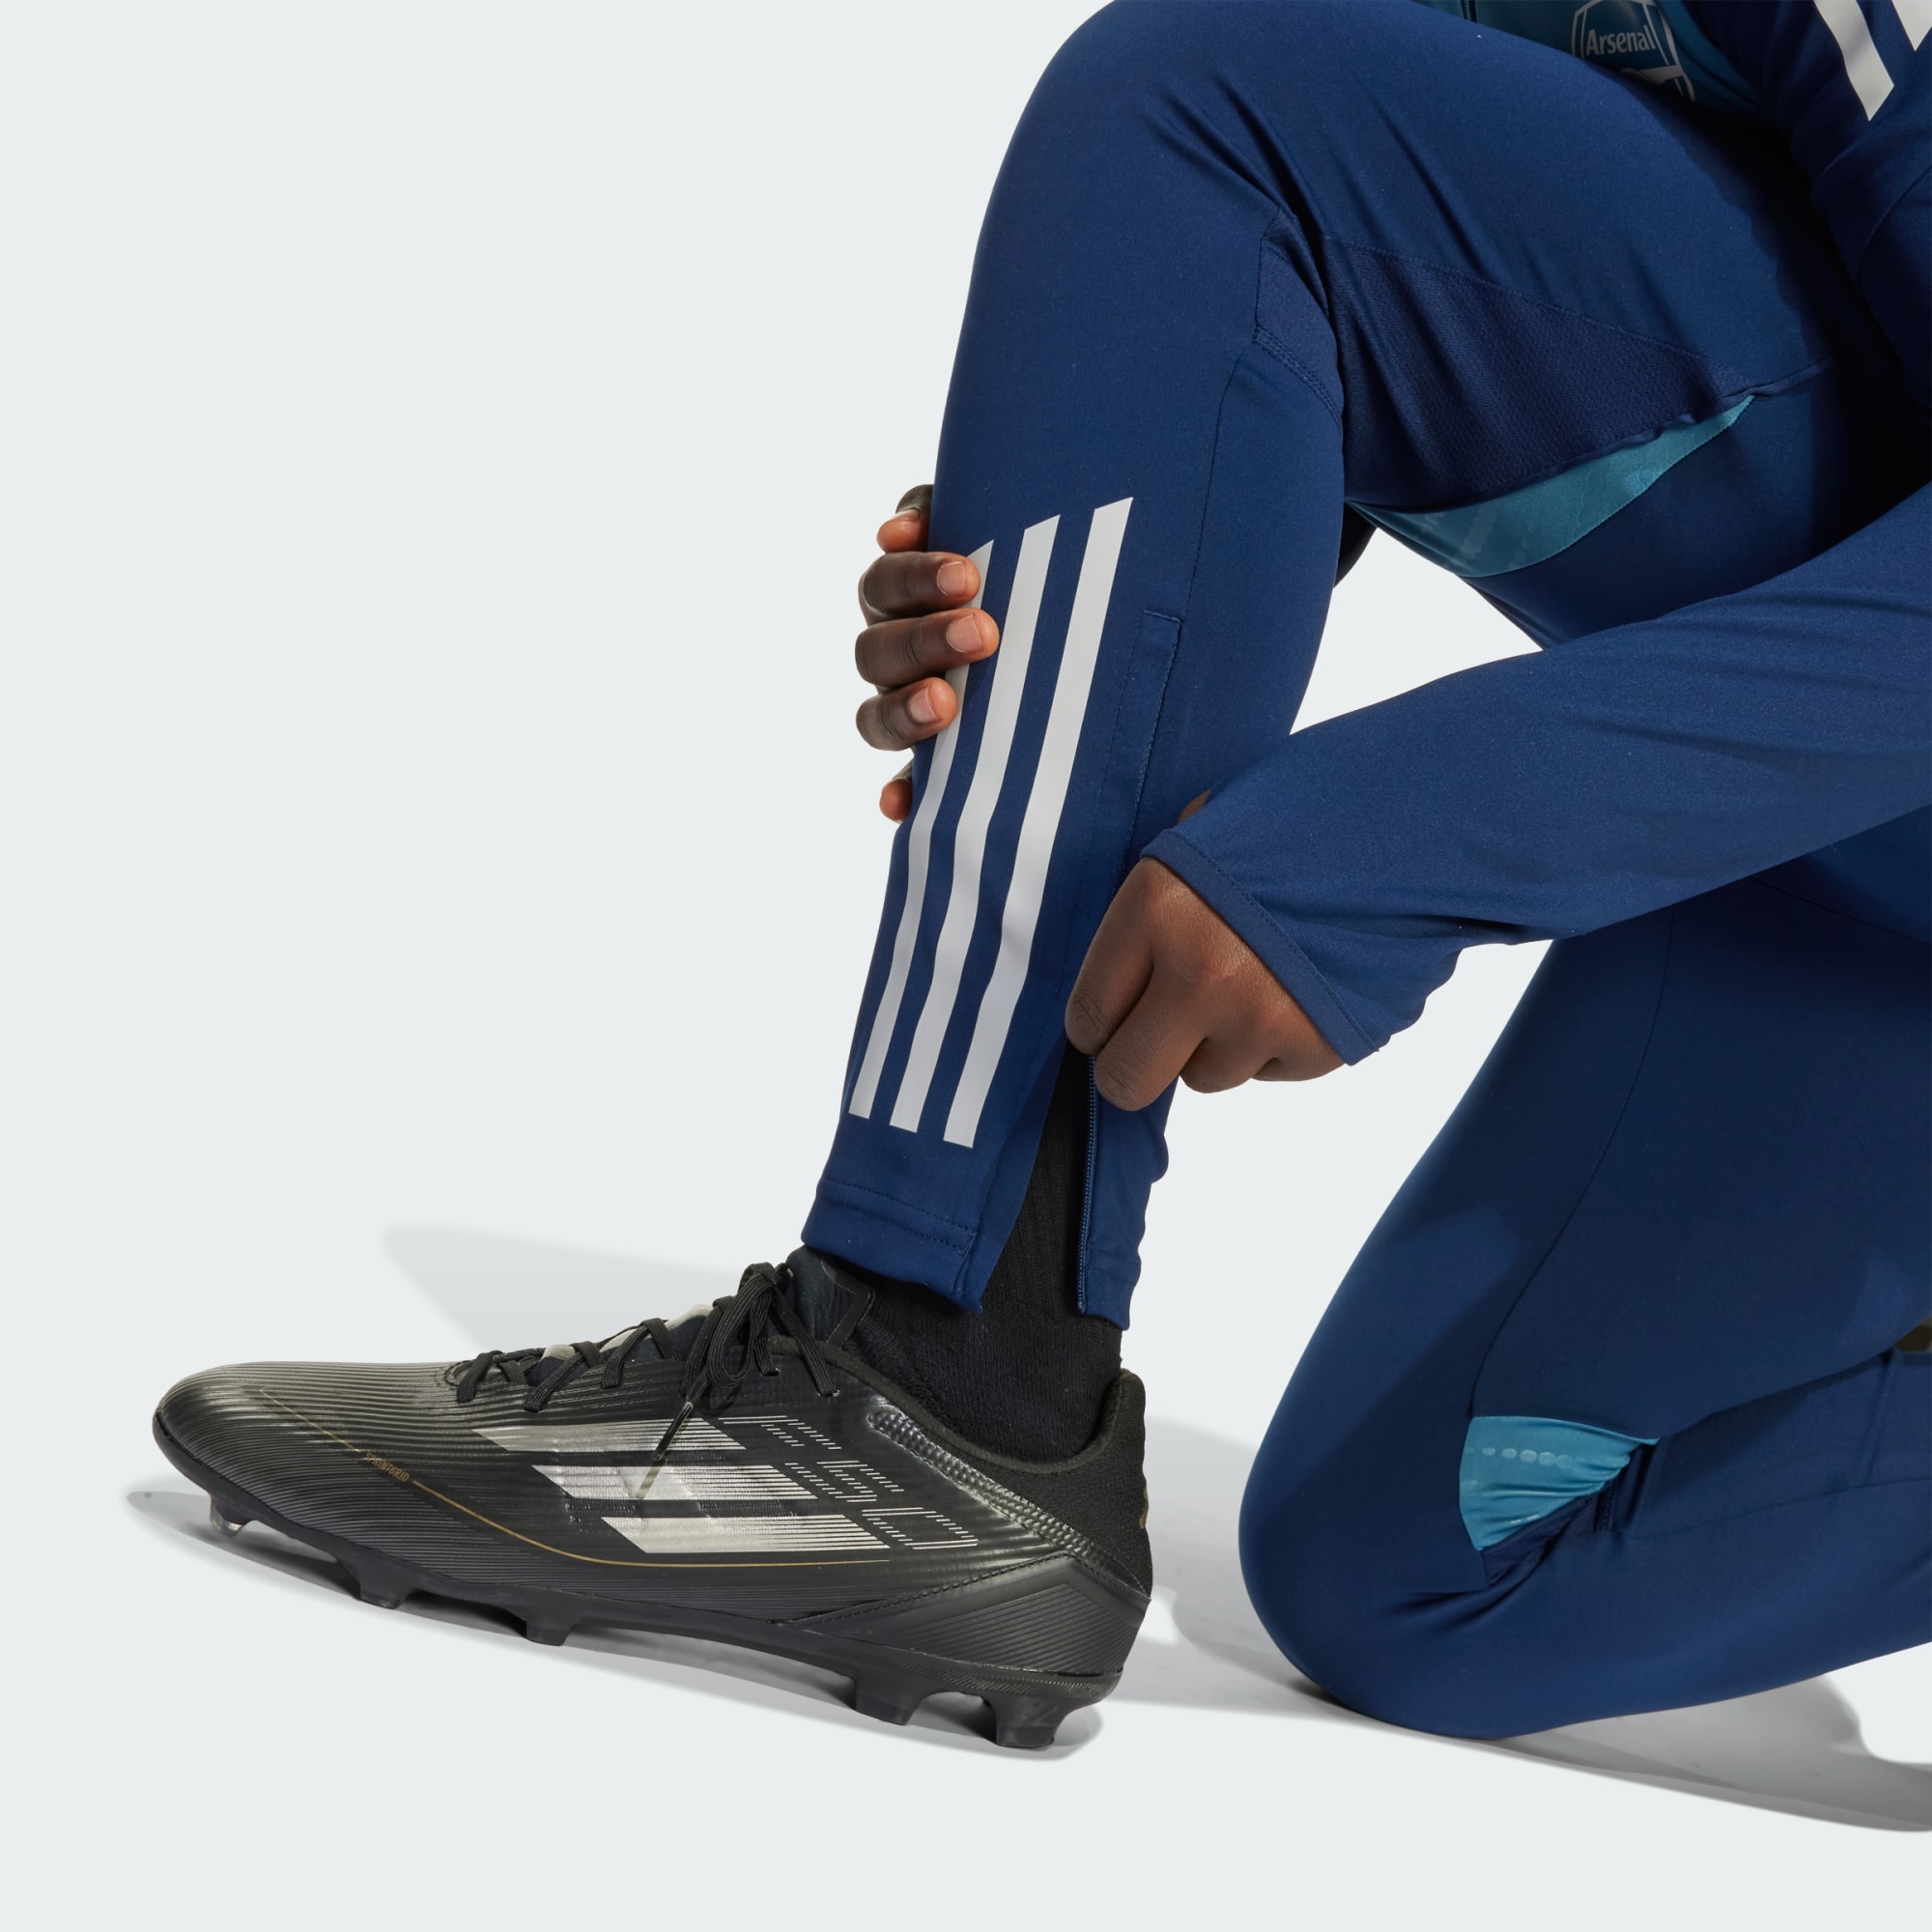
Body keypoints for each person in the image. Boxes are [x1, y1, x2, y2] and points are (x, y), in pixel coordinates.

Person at [154, 0, 1929, 1748]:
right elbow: (1435, 297)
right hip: (1849, 879)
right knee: (1415, 1574)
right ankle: (949, 1409)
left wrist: (1399, 841)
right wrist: (1116, 505)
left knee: (1203, 112)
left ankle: (929, 1368)